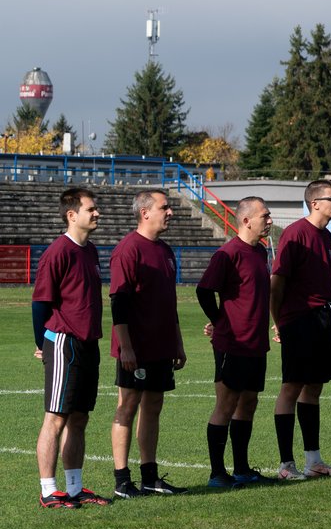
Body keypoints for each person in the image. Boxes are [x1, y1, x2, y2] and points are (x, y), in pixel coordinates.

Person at [33, 188, 109, 508]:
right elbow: (40, 304)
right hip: (64, 342)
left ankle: (75, 489)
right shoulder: (58, 252)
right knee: (56, 418)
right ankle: (49, 490)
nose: (97, 213)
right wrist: (42, 343)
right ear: (71, 215)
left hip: (89, 343)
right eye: (91, 209)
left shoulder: (90, 251)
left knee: (79, 418)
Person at [109, 190, 187, 498]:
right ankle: (121, 481)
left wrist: (177, 343)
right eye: (164, 207)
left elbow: (170, 303)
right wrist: (126, 347)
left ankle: (150, 477)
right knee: (127, 406)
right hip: (136, 346)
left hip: (161, 345)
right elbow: (119, 302)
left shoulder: (165, 250)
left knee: (153, 406)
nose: (170, 212)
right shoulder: (128, 249)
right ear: (145, 213)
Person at [271, 180, 331, 480]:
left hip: (322, 318)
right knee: (292, 386)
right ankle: (286, 465)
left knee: (314, 387)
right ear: (314, 203)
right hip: (299, 319)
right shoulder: (296, 233)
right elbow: (277, 282)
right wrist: (278, 321)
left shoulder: (325, 235)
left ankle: (313, 461)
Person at [197, 197, 274, 489]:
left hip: (256, 342)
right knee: (226, 404)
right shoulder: (227, 254)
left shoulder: (261, 251)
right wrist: (219, 322)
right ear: (246, 220)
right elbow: (205, 290)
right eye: (265, 216)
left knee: (249, 403)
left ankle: (242, 469)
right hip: (232, 343)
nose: (269, 221)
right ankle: (217, 473)